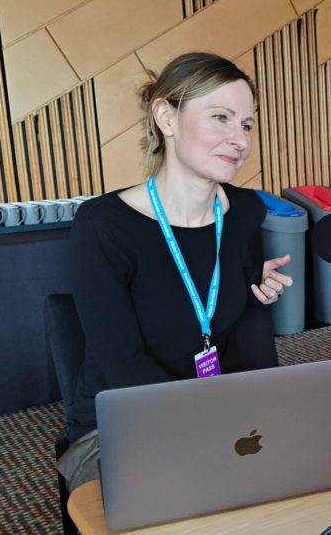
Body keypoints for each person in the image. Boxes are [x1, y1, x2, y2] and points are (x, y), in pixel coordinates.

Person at [58, 52, 292, 490]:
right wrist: (210, 428)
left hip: (221, 407)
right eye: (220, 117)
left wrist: (253, 290)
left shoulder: (243, 211)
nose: (239, 139)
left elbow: (232, 329)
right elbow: (123, 365)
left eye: (246, 124)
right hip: (125, 418)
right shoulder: (104, 225)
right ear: (166, 116)